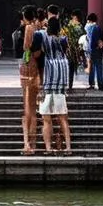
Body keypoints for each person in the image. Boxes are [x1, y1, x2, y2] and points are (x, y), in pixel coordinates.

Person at [38, 16, 72, 155]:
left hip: (48, 79)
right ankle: (68, 147)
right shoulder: (64, 39)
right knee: (63, 117)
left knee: (46, 118)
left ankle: (48, 148)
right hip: (61, 80)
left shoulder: (44, 38)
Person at [17, 5, 41, 153]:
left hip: (28, 67)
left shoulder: (28, 29)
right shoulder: (40, 28)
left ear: (25, 17)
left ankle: (28, 144)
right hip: (38, 69)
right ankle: (34, 143)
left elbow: (26, 47)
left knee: (28, 109)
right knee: (33, 108)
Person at [85, 13, 103, 90]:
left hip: (92, 50)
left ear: (89, 20)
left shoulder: (90, 28)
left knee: (92, 68)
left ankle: (91, 84)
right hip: (98, 50)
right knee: (99, 68)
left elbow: (91, 40)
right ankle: (101, 85)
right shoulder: (98, 28)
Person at [64, 9, 84, 89]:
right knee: (72, 66)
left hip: (70, 49)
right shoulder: (80, 26)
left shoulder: (70, 25)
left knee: (70, 66)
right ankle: (70, 83)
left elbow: (64, 36)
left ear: (75, 16)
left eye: (72, 16)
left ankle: (70, 84)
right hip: (76, 49)